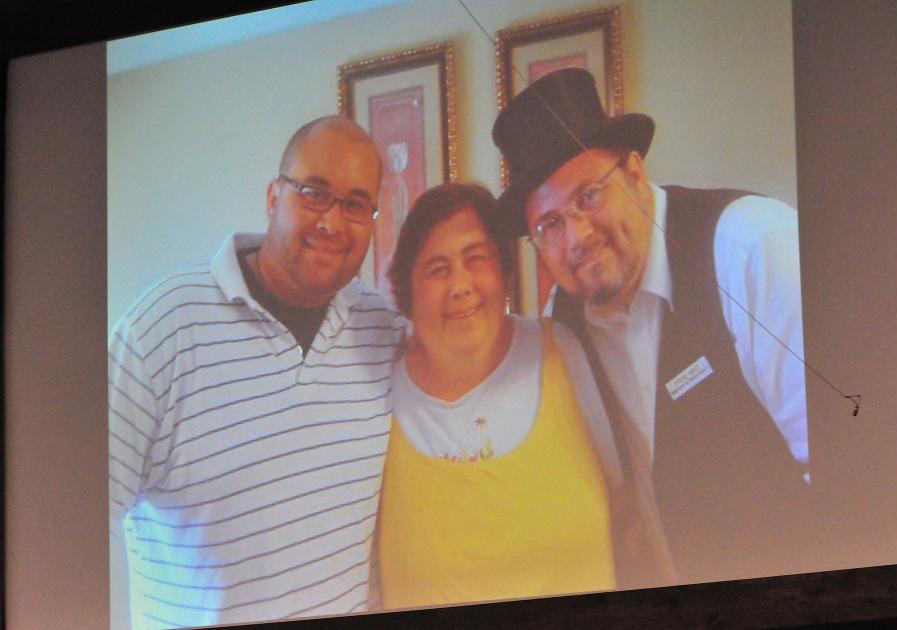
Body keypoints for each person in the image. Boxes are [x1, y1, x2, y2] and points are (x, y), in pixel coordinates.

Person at [492, 68, 811, 583]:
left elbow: (848, 470)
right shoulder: (565, 324)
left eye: (588, 197)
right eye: (548, 225)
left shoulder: (753, 249)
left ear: (636, 175)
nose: (575, 238)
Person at [108, 116, 403, 628]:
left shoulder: (382, 329)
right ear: (273, 197)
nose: (332, 222)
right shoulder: (159, 331)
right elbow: (61, 535)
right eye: (314, 192)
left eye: (356, 204)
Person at [375, 182, 676, 610]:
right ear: (407, 289)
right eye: (437, 269)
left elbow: (633, 507)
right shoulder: (379, 398)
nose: (460, 285)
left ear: (504, 270)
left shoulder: (565, 353)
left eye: (475, 259)